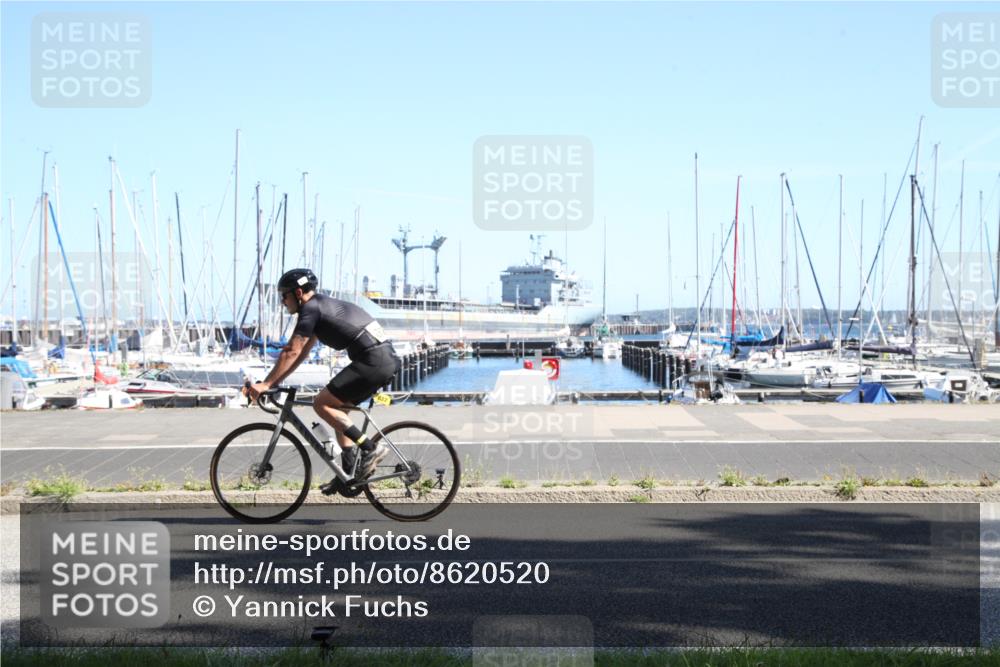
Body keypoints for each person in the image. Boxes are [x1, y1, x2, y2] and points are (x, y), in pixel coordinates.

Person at [246, 268, 400, 482]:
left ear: (298, 293)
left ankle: (370, 448)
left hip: (374, 360)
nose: (282, 301)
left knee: (322, 404)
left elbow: (292, 350)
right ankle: (349, 473)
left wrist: (266, 384)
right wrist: (273, 382)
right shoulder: (321, 308)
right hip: (380, 359)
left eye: (285, 295)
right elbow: (300, 354)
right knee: (336, 409)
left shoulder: (311, 309)